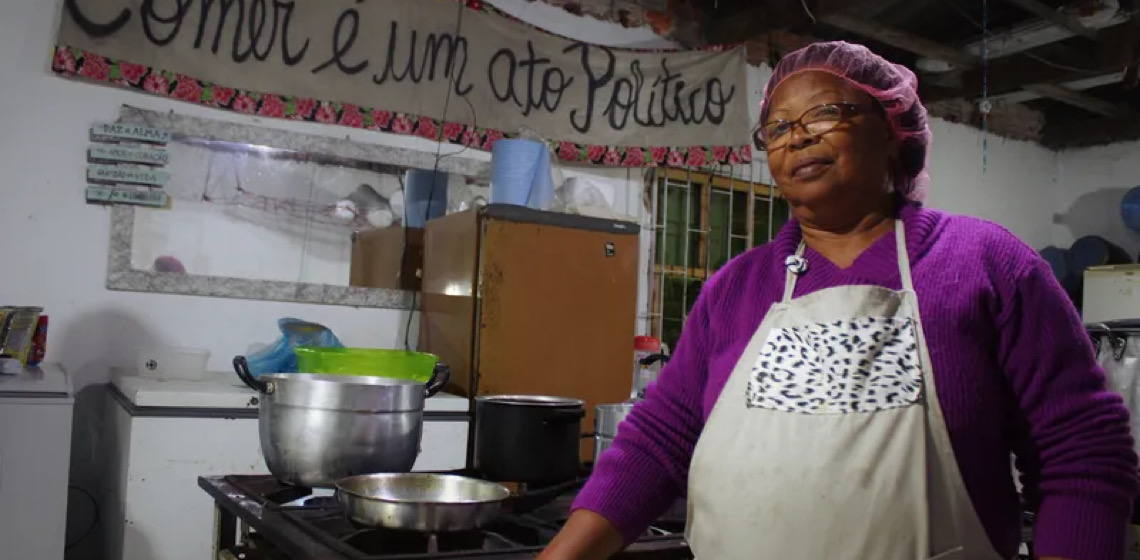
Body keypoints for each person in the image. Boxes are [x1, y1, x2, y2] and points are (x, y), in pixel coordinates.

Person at [538, 41, 1139, 560]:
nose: (796, 135)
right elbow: (658, 442)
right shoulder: (735, 289)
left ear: (892, 129)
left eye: (825, 111)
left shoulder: (986, 264)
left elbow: (1082, 453)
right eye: (776, 126)